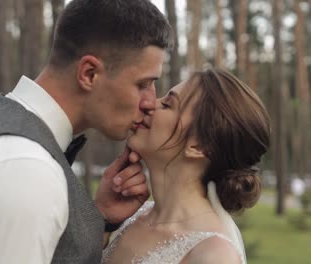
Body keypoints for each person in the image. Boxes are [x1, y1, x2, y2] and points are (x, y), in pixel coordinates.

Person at [0, 0, 173, 263]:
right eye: (143, 84)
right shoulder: (23, 169)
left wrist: (96, 219)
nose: (150, 102)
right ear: (89, 74)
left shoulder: (19, 146)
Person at [101, 68, 271, 264]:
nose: (148, 104)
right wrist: (103, 222)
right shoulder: (129, 219)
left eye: (167, 104)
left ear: (199, 147)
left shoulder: (213, 256)